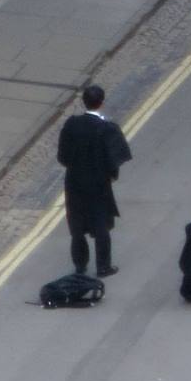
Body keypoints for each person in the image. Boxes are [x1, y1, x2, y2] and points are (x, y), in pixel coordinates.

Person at [56, 82, 132, 277]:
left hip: (75, 183)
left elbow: (62, 157)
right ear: (102, 102)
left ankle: (80, 266)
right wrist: (110, 175)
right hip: (98, 184)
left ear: (84, 102)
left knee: (77, 226)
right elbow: (115, 159)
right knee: (101, 225)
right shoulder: (107, 129)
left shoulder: (71, 125)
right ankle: (103, 266)